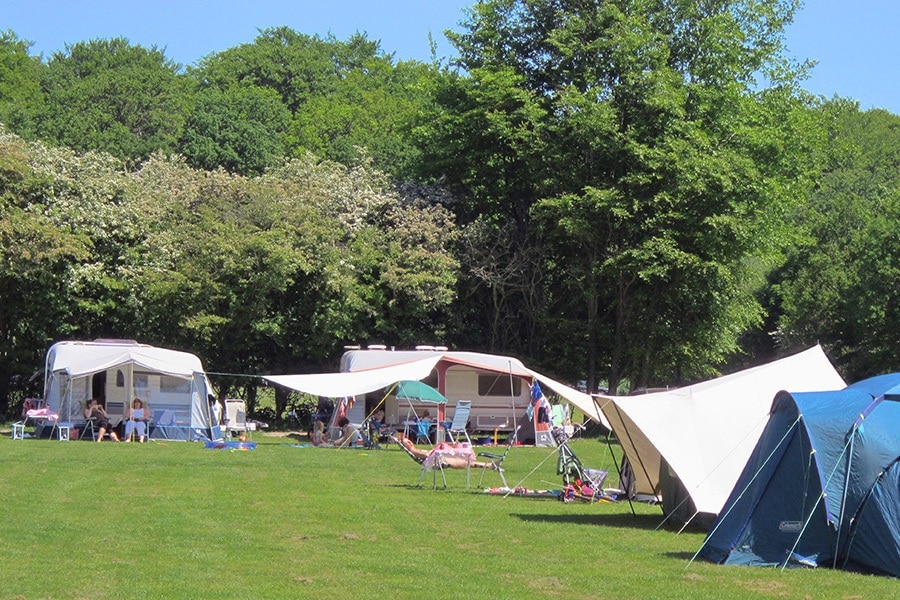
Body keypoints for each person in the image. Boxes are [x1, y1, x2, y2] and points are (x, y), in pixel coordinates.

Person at [393, 434, 494, 469]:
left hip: (438, 459)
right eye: (407, 443)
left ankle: (490, 465)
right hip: (437, 461)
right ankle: (489, 465)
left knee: (465, 461)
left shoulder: (415, 449)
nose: (410, 443)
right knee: (466, 462)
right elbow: (428, 454)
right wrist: (437, 449)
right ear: (406, 447)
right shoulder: (414, 451)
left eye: (409, 441)